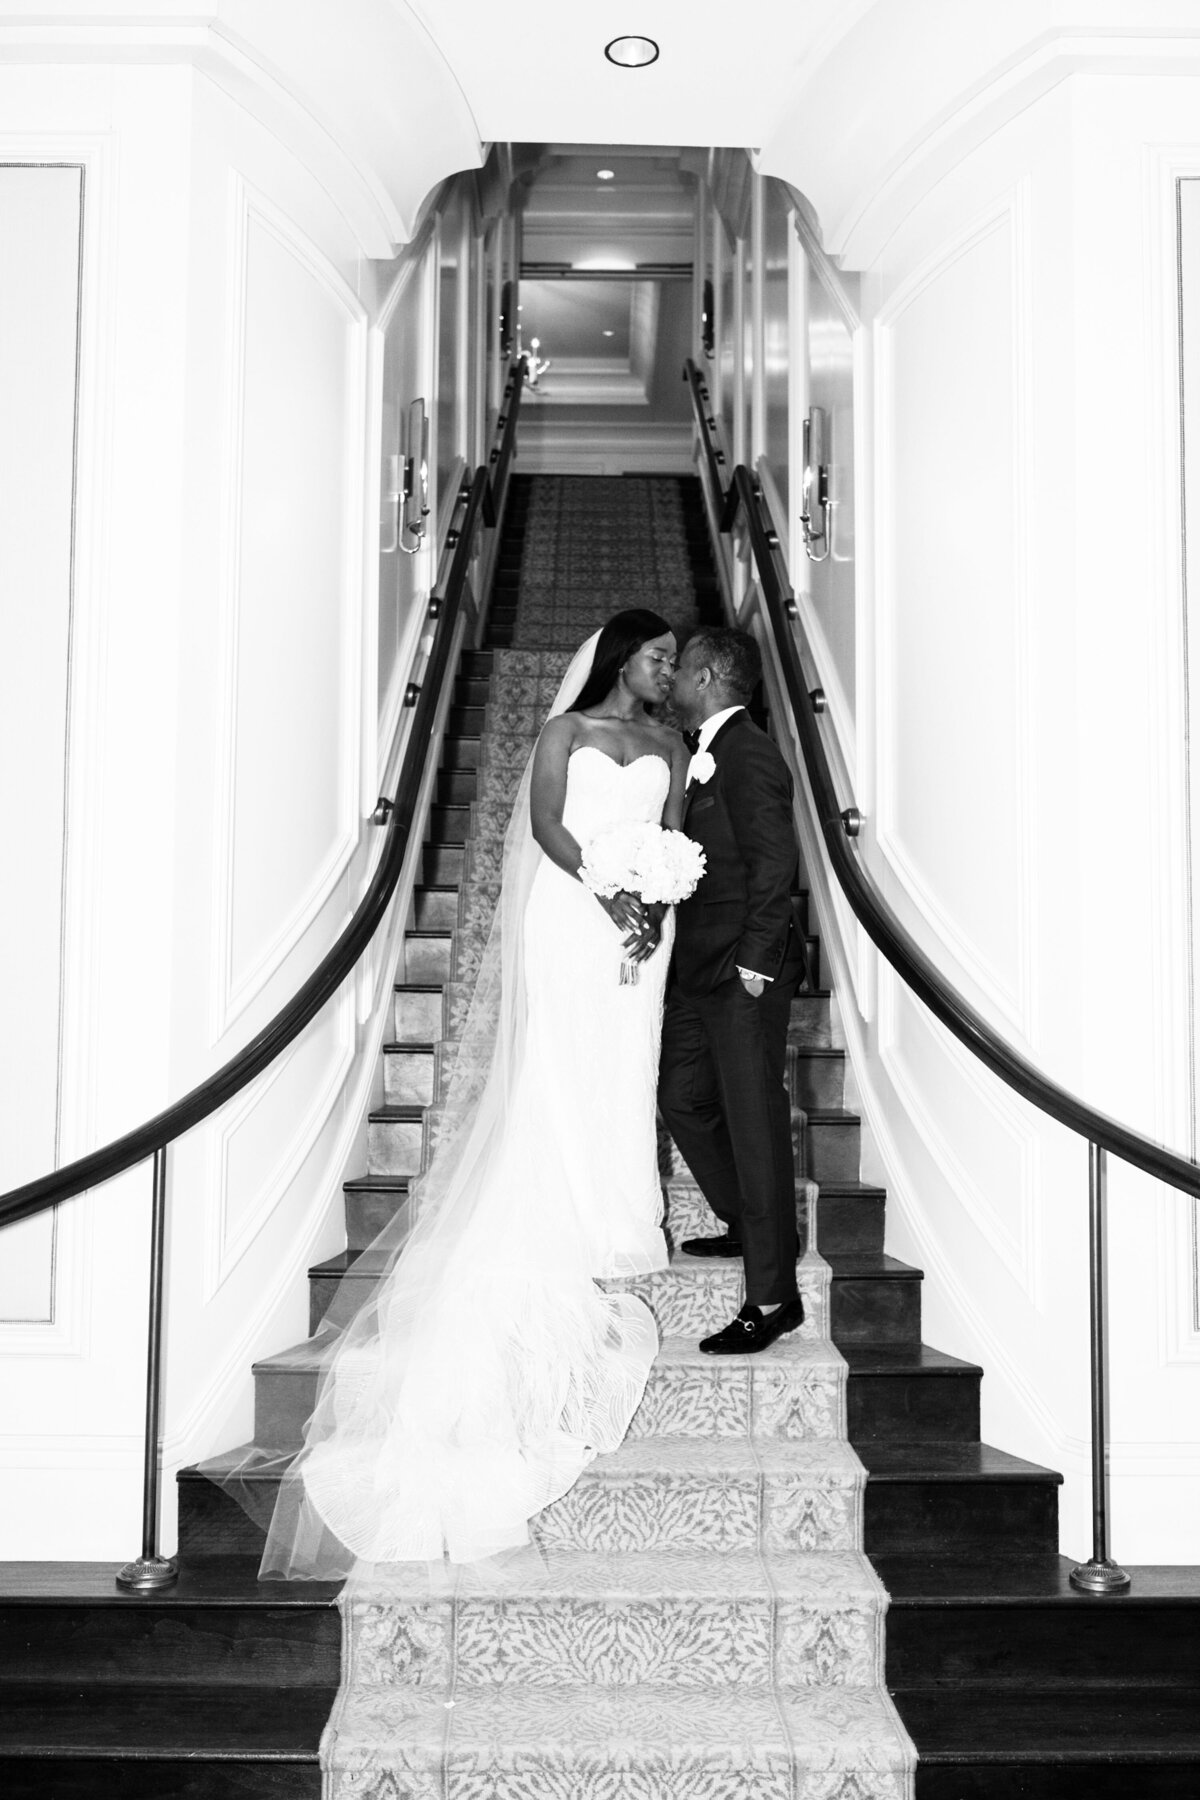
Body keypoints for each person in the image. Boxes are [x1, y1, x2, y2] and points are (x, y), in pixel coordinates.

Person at [251, 610, 689, 1576]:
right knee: (561, 1063)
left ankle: (618, 1209)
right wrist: (606, 889)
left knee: (628, 1061)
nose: (669, 672)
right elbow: (541, 824)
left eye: (672, 661)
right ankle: (560, 1198)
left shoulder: (670, 742)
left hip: (636, 934)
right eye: (659, 657)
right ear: (622, 658)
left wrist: (652, 904)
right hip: (571, 916)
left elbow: (673, 838)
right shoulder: (566, 733)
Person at [659, 626, 809, 1355]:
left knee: (754, 1126)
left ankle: (773, 1298)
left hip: (742, 972)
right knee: (681, 1098)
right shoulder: (703, 754)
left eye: (681, 670)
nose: (673, 683)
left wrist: (757, 959)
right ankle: (746, 1223)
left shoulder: (749, 752)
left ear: (711, 675)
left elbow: (775, 861)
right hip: (696, 970)